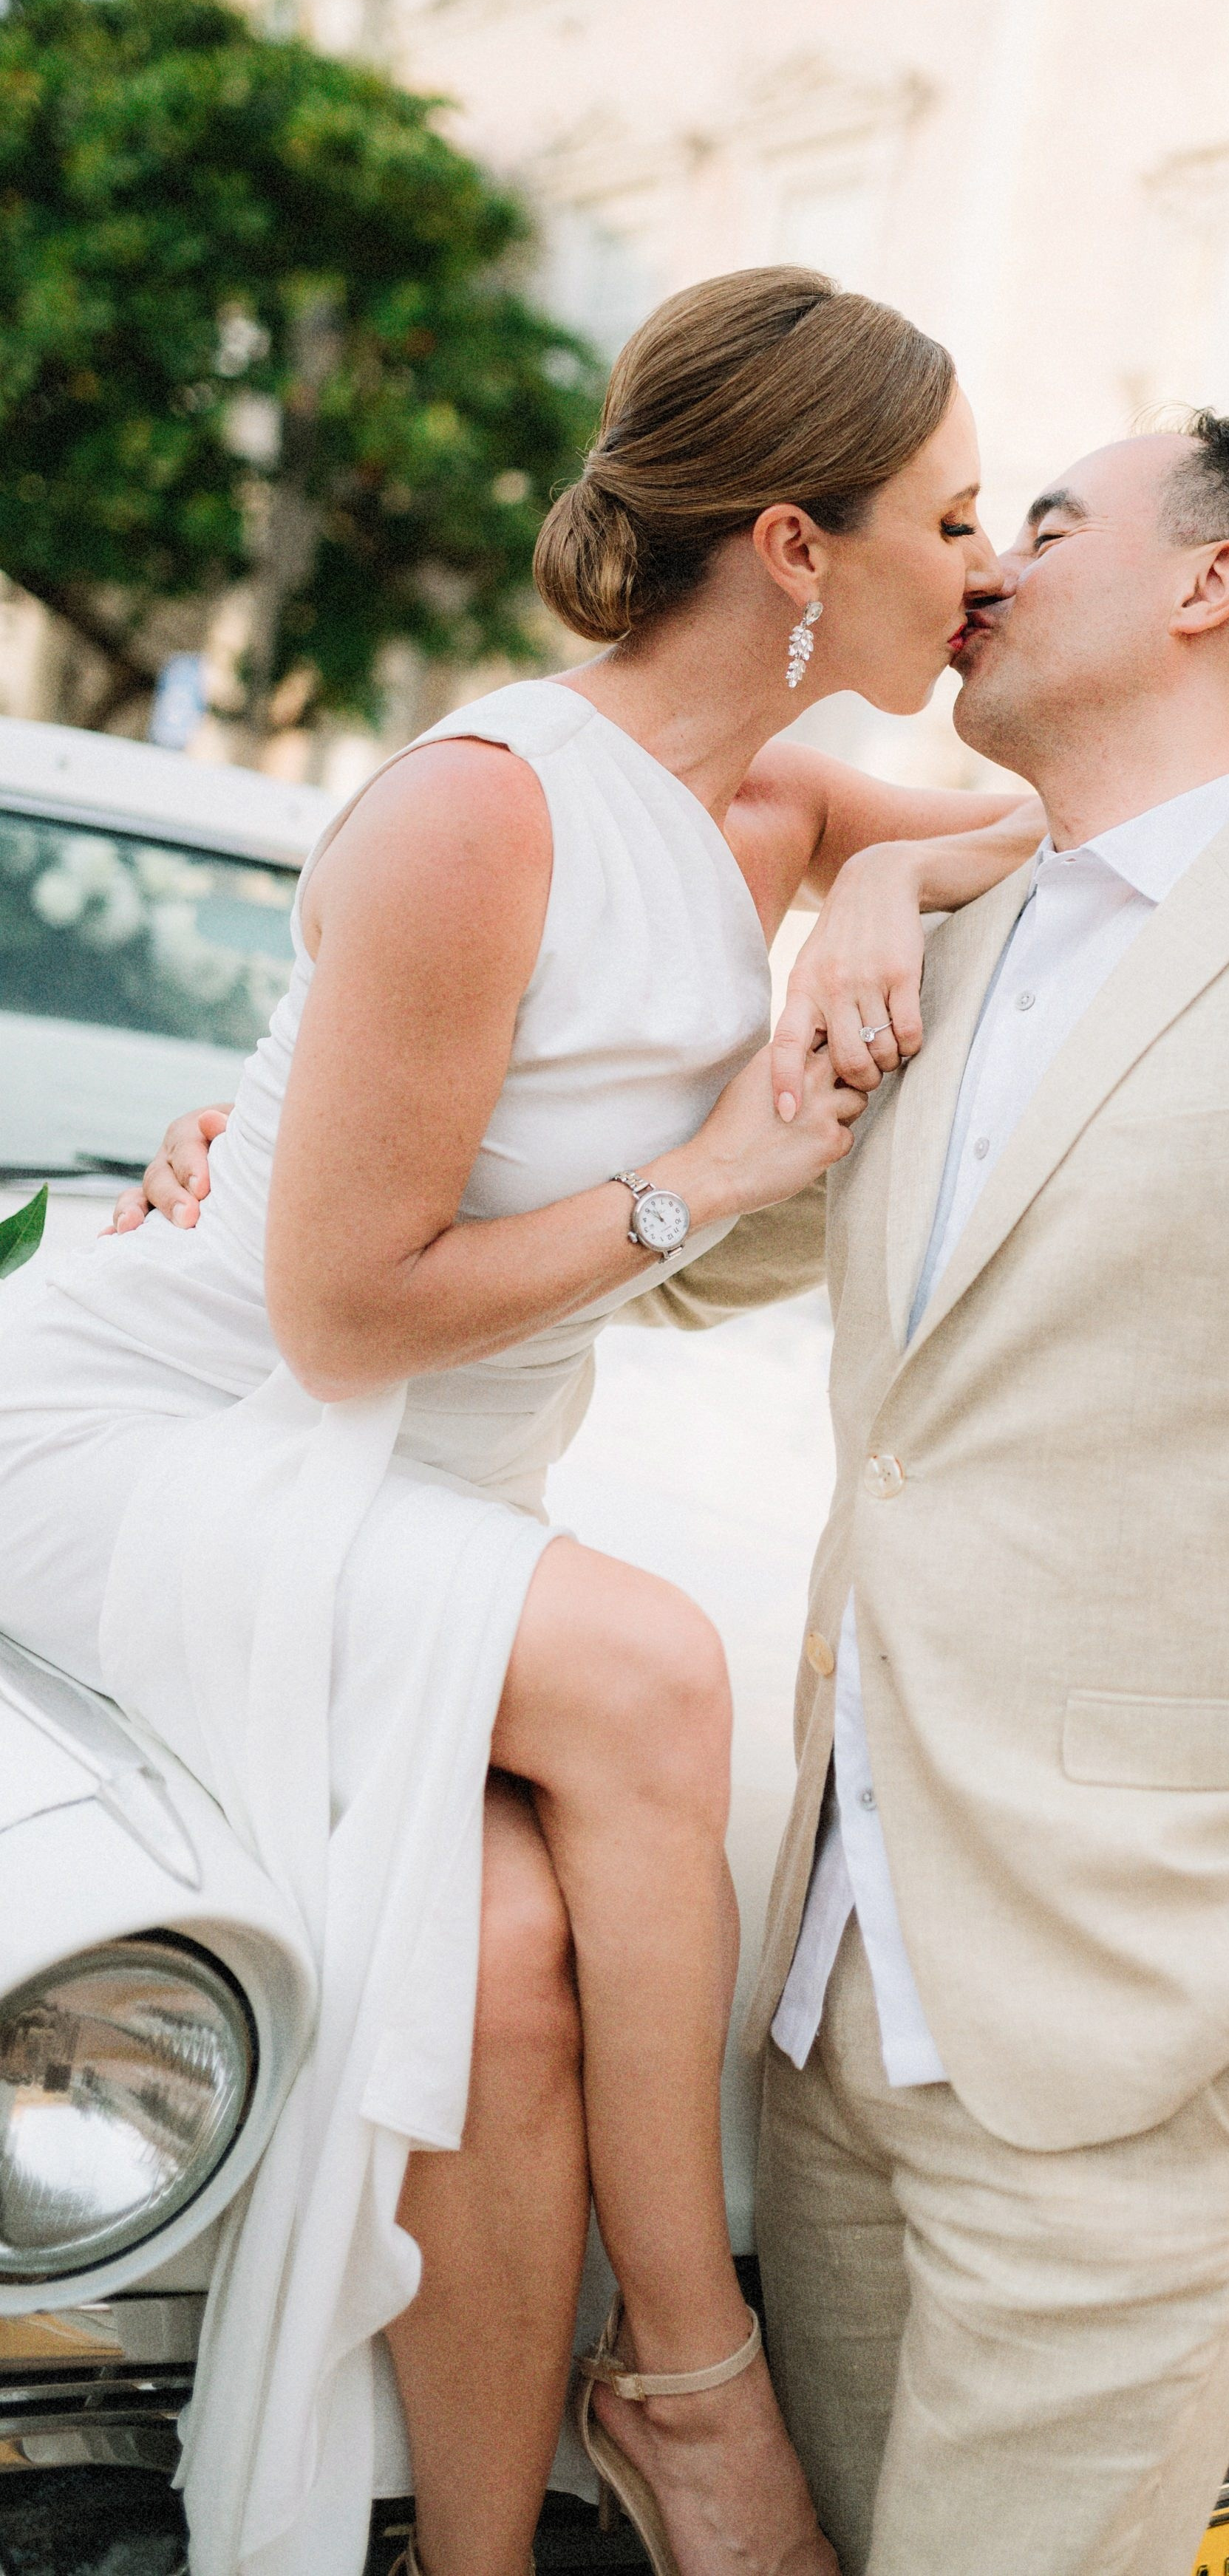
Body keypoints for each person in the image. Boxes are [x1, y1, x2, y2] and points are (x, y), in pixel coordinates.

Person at [135, 410, 1229, 2576]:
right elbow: (652, 1242)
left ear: (1213, 585)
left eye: (1041, 523)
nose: (987, 567)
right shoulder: (935, 945)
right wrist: (277, 1164)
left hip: (1156, 2015)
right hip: (836, 2016)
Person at [0, 264, 1048, 2576]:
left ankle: (479, 2550)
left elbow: (1051, 837)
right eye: (953, 515)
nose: (984, 569)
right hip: (179, 1442)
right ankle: (697, 2388)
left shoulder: (777, 801)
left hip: (414, 1487)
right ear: (794, 543)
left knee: (493, 1975)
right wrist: (717, 1174)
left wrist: (880, 869)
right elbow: (349, 1317)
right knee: (662, 1671)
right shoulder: (476, 813)